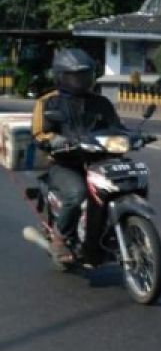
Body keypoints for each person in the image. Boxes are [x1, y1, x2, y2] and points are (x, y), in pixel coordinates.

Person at [32, 48, 125, 263]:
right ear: (61, 77)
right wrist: (57, 140)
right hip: (64, 163)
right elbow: (39, 133)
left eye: (85, 76)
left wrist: (136, 135)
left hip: (98, 160)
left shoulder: (101, 102)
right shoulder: (48, 102)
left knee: (120, 187)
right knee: (77, 193)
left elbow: (117, 127)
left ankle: (105, 236)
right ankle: (60, 238)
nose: (81, 81)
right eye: (75, 76)